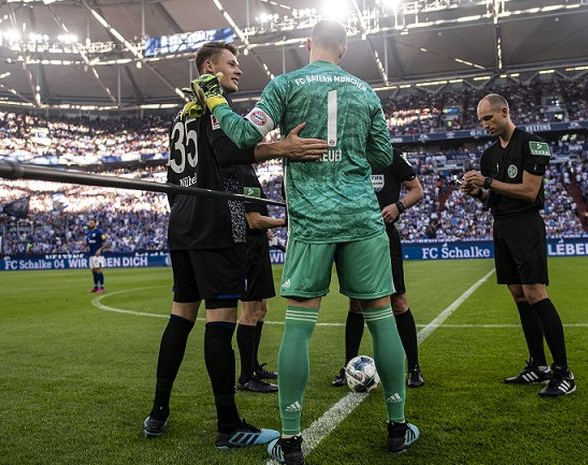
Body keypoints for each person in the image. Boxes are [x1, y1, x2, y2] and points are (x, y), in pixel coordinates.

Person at [191, 20, 420, 465]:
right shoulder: (365, 91)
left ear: (307, 45)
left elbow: (241, 136)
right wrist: (347, 148)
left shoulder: (284, 85)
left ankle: (291, 442)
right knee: (381, 318)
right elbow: (382, 156)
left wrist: (215, 99)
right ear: (345, 49)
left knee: (299, 324)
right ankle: (397, 428)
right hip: (361, 218)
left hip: (311, 220)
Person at [142, 41, 327, 449]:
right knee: (220, 321)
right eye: (232, 63)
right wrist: (282, 147)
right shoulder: (211, 104)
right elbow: (227, 149)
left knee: (181, 317)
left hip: (183, 224)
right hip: (215, 227)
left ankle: (158, 412)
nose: (238, 70)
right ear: (209, 67)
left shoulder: (181, 114)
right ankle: (228, 425)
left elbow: (176, 179)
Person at [461, 93, 576, 397]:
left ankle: (564, 372)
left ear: (504, 111)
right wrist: (475, 191)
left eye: (489, 117)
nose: (485, 124)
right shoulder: (488, 156)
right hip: (502, 225)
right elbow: (491, 199)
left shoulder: (532, 144)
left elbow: (528, 191)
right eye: (480, 120)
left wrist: (487, 182)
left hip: (526, 224)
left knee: (536, 292)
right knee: (518, 294)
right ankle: (538, 366)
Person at [332, 150, 425, 388]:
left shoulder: (389, 156)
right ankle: (347, 367)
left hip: (384, 237)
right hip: (353, 237)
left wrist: (398, 206)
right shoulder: (347, 155)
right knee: (355, 303)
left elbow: (417, 190)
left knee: (398, 302)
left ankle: (414, 368)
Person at [235, 163, 284, 394]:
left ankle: (253, 367)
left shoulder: (248, 173)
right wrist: (286, 221)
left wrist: (268, 228)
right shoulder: (244, 173)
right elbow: (253, 221)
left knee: (261, 309)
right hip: (249, 248)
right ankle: (246, 377)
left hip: (257, 245)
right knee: (249, 311)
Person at [85, 218, 107, 293]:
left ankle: (102, 287)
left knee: (98, 270)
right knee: (93, 271)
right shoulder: (88, 233)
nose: (90, 224)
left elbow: (106, 242)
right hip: (91, 254)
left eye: (92, 223)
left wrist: (100, 250)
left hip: (98, 255)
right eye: (89, 223)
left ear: (95, 223)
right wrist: (83, 244)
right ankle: (96, 287)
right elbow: (88, 243)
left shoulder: (99, 232)